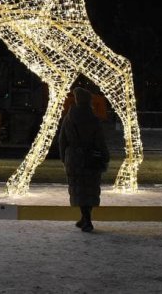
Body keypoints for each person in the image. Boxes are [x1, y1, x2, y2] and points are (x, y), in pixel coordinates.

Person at [58, 86, 109, 232]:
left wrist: (64, 157)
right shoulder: (94, 119)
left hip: (74, 157)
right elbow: (100, 140)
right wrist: (105, 156)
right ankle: (86, 218)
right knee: (90, 188)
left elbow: (62, 140)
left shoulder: (69, 118)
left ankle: (85, 218)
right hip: (90, 156)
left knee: (78, 189)